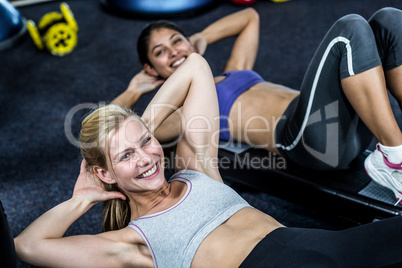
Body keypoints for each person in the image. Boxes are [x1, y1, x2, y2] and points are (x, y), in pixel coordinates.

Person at [13, 53, 402, 267]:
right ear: (105, 173)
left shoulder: (196, 169)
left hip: (323, 246)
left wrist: (140, 128)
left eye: (147, 144)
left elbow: (197, 66)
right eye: (126, 157)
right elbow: (27, 245)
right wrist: (82, 199)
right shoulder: (131, 243)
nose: (148, 159)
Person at [112, 7, 402, 203]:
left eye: (177, 41)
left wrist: (202, 38)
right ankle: (393, 158)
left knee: (388, 20)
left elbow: (250, 16)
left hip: (347, 127)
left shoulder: (233, 70)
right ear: (151, 69)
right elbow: (112, 133)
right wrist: (133, 91)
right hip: (309, 141)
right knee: (347, 30)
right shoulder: (182, 113)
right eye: (161, 52)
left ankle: (394, 149)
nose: (174, 50)